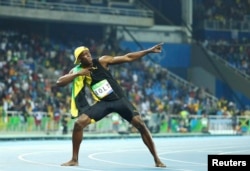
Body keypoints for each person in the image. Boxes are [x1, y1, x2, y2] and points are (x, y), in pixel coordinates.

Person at [56, 42, 166, 168]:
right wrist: (77, 74)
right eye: (84, 55)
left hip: (119, 100)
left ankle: (157, 159)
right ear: (79, 60)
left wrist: (148, 51)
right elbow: (59, 82)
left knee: (140, 124)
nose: (88, 56)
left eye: (88, 53)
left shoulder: (102, 61)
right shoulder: (77, 70)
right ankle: (74, 159)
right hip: (104, 103)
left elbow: (128, 57)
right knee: (78, 124)